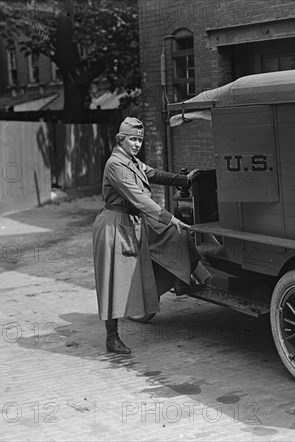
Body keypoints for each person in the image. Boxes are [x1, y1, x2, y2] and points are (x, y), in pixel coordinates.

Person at [92, 117, 211, 354]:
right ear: (120, 140)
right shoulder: (116, 165)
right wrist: (169, 216)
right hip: (115, 225)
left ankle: (184, 279)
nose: (136, 144)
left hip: (134, 221)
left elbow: (155, 174)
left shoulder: (132, 161)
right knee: (115, 280)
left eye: (139, 140)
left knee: (176, 237)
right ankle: (111, 337)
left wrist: (183, 180)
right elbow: (140, 198)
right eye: (132, 139)